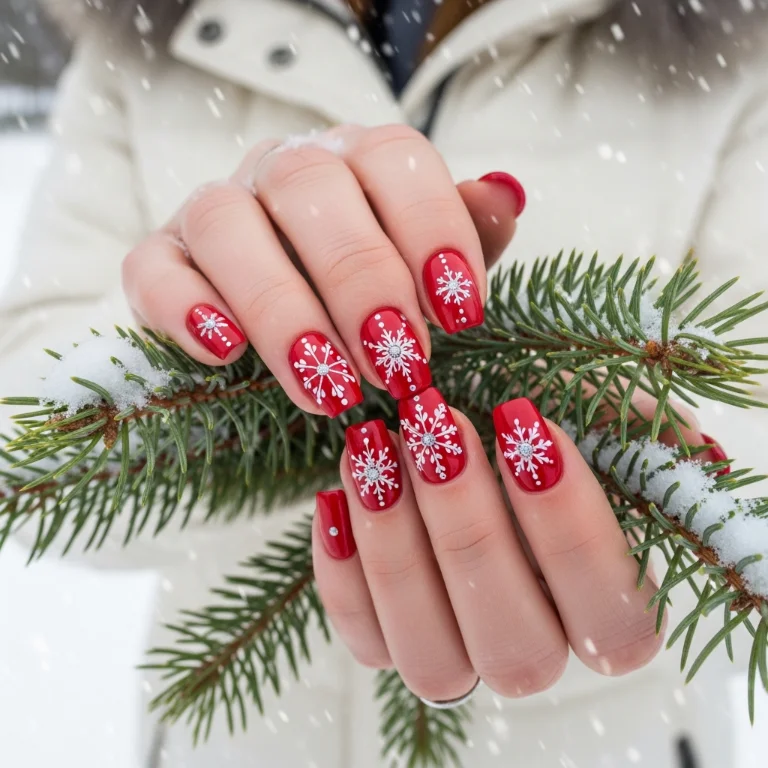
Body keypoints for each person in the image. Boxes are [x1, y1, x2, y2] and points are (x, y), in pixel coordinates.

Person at [1, 0, 767, 765]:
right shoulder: (148, 31)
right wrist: (201, 333)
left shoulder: (722, 38)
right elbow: (19, 459)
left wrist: (627, 519)